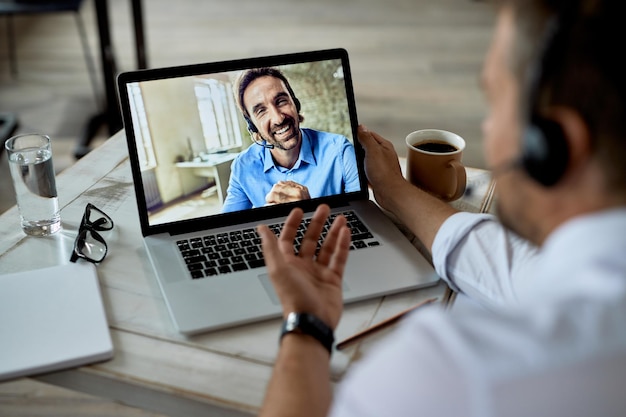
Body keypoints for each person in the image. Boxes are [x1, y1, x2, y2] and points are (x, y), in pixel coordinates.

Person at [255, 0, 626, 416]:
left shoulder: (455, 374)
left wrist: (307, 323)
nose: (487, 129)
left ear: (552, 144)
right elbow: (514, 267)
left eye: (496, 99)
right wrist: (392, 190)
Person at [221, 67, 361, 213]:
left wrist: (310, 213)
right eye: (261, 111)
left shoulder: (340, 151)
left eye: (281, 101)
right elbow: (225, 228)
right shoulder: (242, 166)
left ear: (295, 103)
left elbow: (362, 216)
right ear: (253, 125)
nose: (278, 118)